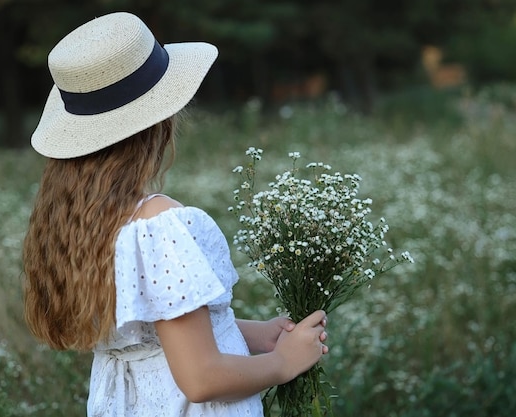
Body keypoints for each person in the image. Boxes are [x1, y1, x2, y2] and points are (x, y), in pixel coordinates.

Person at [22, 12, 328, 417]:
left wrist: (257, 335)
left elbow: (155, 335)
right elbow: (201, 378)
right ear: (159, 124)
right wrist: (284, 363)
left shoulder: (75, 222)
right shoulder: (158, 225)